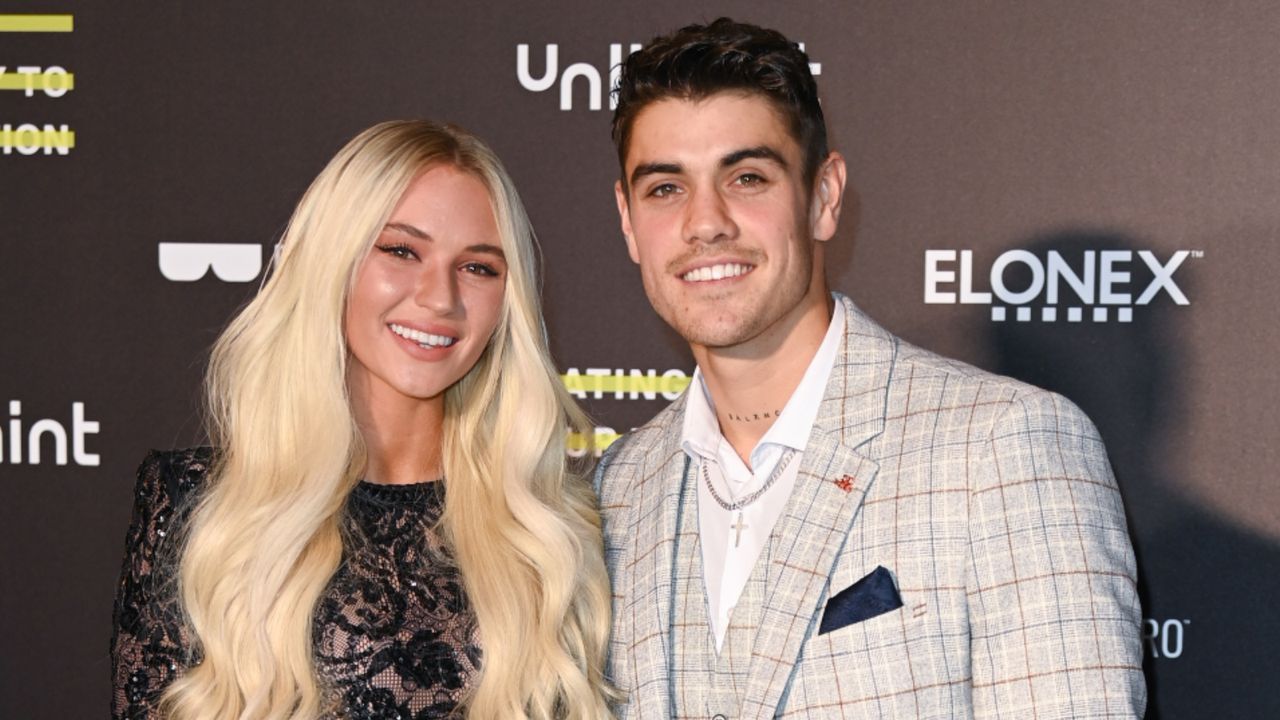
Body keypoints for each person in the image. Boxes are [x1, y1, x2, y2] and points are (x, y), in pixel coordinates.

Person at [596, 18, 1146, 718]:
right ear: (627, 219)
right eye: (666, 189)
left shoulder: (1004, 447)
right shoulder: (618, 487)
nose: (706, 222)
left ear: (824, 196)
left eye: (747, 177)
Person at [111, 120, 615, 720]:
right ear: (334, 261)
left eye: (478, 267)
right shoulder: (195, 505)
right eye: (401, 251)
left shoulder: (550, 530)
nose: (439, 298)